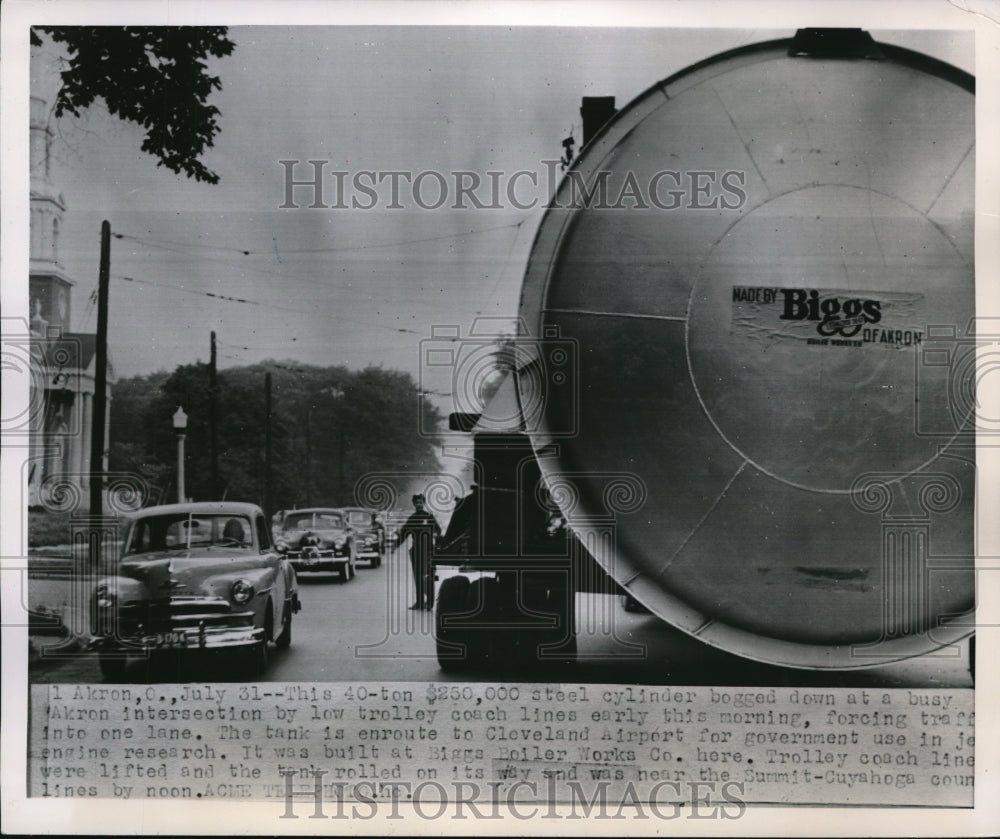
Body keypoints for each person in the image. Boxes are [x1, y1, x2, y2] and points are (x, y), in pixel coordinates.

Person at [398, 494, 441, 610]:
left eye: (421, 502)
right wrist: (395, 546)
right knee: (418, 577)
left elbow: (438, 530)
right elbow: (404, 534)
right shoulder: (412, 519)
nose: (419, 504)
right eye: (417, 503)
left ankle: (430, 603)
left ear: (424, 503)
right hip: (417, 551)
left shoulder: (429, 517)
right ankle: (420, 602)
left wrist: (436, 536)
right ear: (414, 504)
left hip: (429, 551)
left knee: (428, 576)